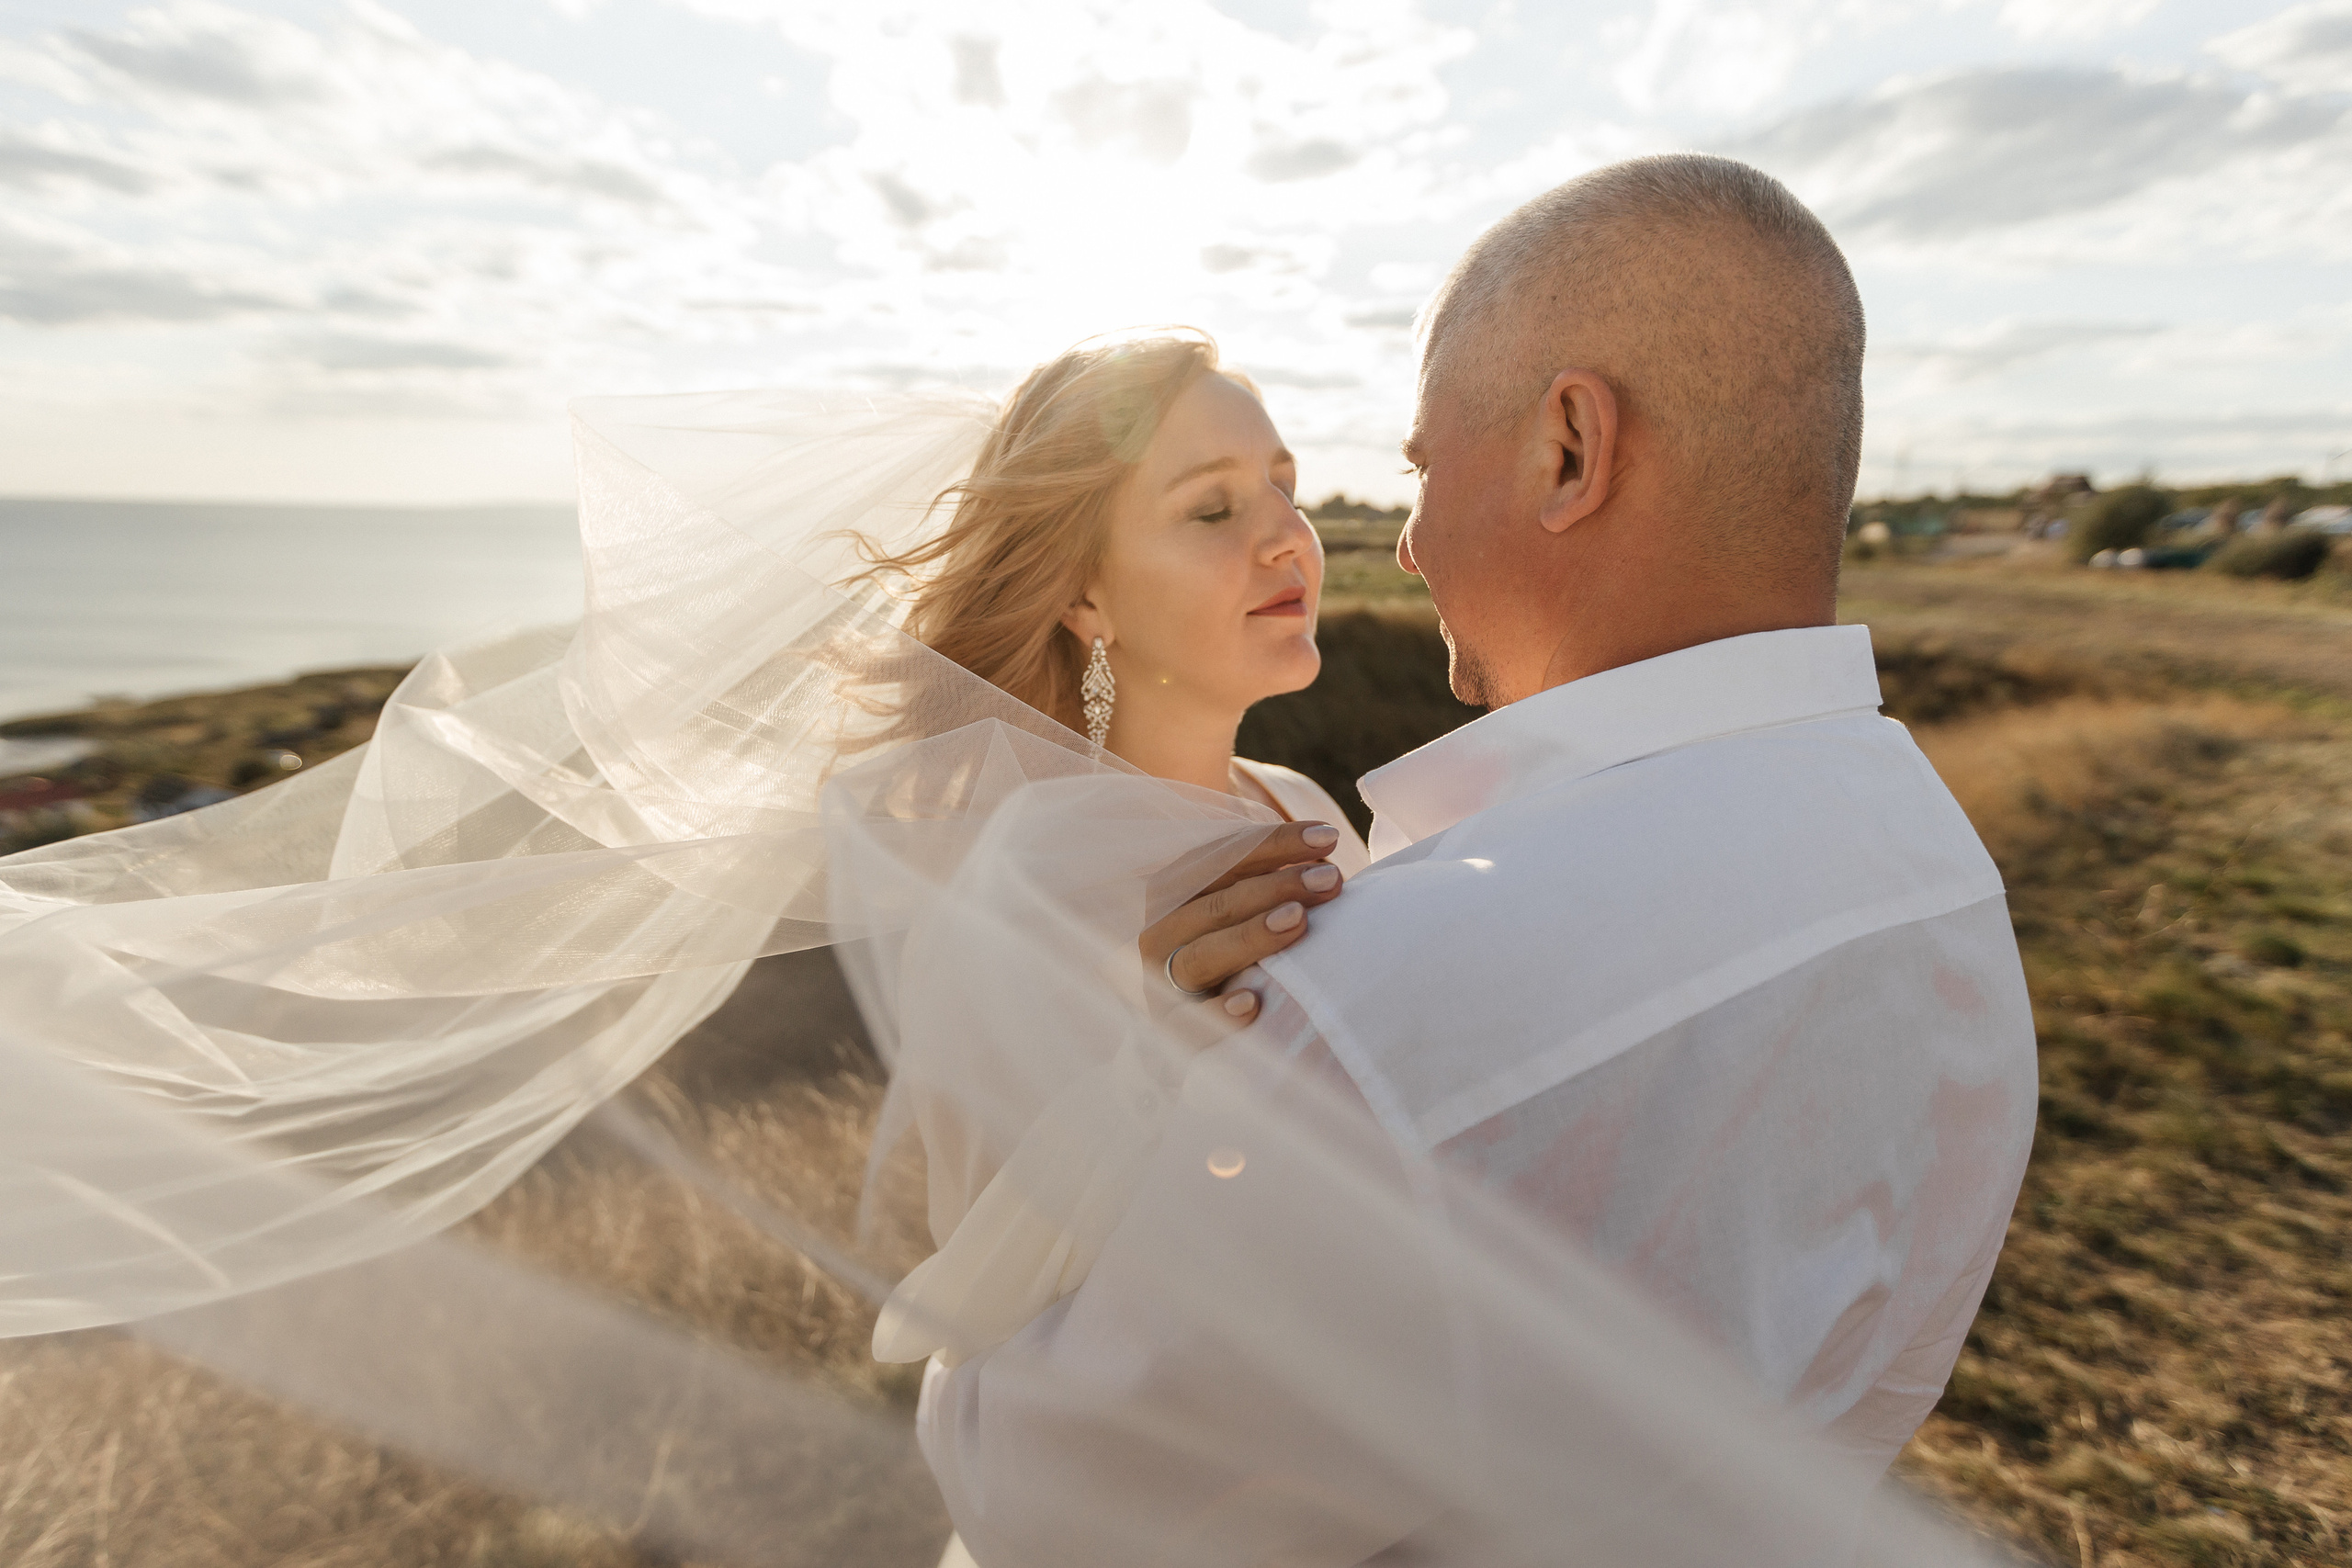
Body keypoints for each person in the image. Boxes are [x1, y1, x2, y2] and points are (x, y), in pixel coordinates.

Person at [904, 154, 2039, 1565]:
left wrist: (973, 1373)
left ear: (1571, 448)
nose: (1402, 544)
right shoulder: (1947, 891)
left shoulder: (1369, 1004)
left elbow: (1047, 1499)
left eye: (1421, 470)